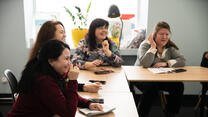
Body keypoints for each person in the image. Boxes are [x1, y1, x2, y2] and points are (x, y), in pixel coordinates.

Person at [8, 40, 103, 117]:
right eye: (66, 59)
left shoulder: (51, 73)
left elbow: (64, 93)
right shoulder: (43, 81)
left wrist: (88, 104)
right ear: (51, 61)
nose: (70, 63)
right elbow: (69, 114)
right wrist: (73, 81)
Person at [28, 20, 101, 93]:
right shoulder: (43, 59)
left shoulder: (53, 54)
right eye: (61, 32)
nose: (65, 35)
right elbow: (55, 88)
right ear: (50, 35)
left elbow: (61, 85)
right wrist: (76, 83)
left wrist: (84, 87)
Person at [133, 21, 186, 117]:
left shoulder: (170, 47)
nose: (164, 37)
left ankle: (170, 112)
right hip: (141, 78)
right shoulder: (145, 45)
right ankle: (141, 114)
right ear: (155, 34)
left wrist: (166, 63)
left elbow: (182, 60)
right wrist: (153, 47)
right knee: (151, 88)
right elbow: (145, 64)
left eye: (167, 34)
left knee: (178, 86)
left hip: (159, 78)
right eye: (161, 34)